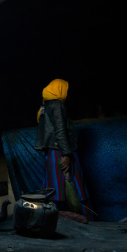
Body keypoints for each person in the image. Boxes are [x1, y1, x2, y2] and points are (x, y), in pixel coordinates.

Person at [34, 79, 91, 219]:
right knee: (74, 185)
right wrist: (66, 154)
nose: (67, 92)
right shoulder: (57, 105)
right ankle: (84, 220)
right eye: (65, 89)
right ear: (59, 89)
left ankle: (48, 219)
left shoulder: (44, 106)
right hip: (60, 151)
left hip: (51, 153)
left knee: (53, 188)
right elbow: (60, 131)